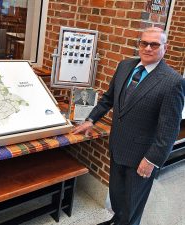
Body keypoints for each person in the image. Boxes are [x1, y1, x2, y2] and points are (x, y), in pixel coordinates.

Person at [72, 27, 184, 225]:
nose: (148, 48)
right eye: (144, 43)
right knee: (117, 195)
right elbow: (108, 99)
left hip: (142, 157)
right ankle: (118, 220)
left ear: (164, 48)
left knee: (132, 204)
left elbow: (169, 130)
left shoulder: (172, 82)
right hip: (118, 147)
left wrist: (151, 160)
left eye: (154, 44)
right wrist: (91, 119)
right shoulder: (125, 66)